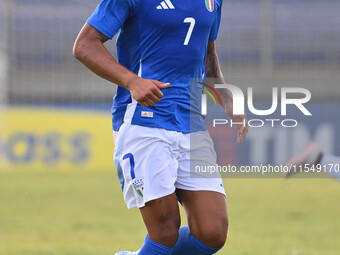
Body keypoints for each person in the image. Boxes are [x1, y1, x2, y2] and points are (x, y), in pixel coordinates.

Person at [73, 0, 248, 254]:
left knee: (212, 233)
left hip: (191, 123)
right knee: (164, 231)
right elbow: (84, 45)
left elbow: (207, 52)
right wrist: (132, 81)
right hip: (143, 121)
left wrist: (227, 98)